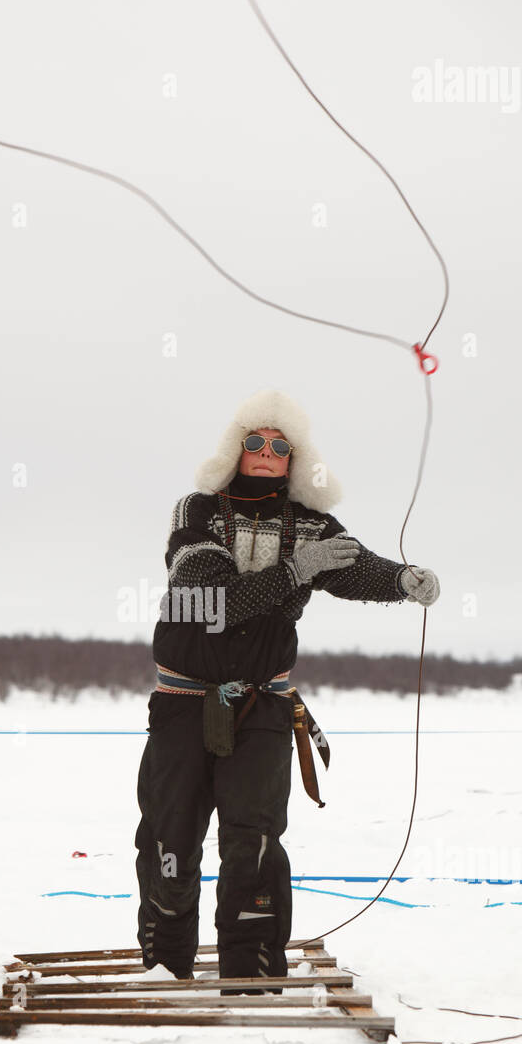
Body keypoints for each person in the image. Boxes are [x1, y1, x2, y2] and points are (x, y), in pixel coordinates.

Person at [134, 388, 440, 991]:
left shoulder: (310, 524)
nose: (267, 453)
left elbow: (356, 566)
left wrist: (404, 580)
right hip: (183, 703)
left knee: (255, 839)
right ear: (236, 449)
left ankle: (250, 974)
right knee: (171, 836)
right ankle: (165, 969)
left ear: (296, 457)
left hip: (263, 705)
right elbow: (212, 606)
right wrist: (299, 570)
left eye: (280, 445)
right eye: (255, 442)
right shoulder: (193, 512)